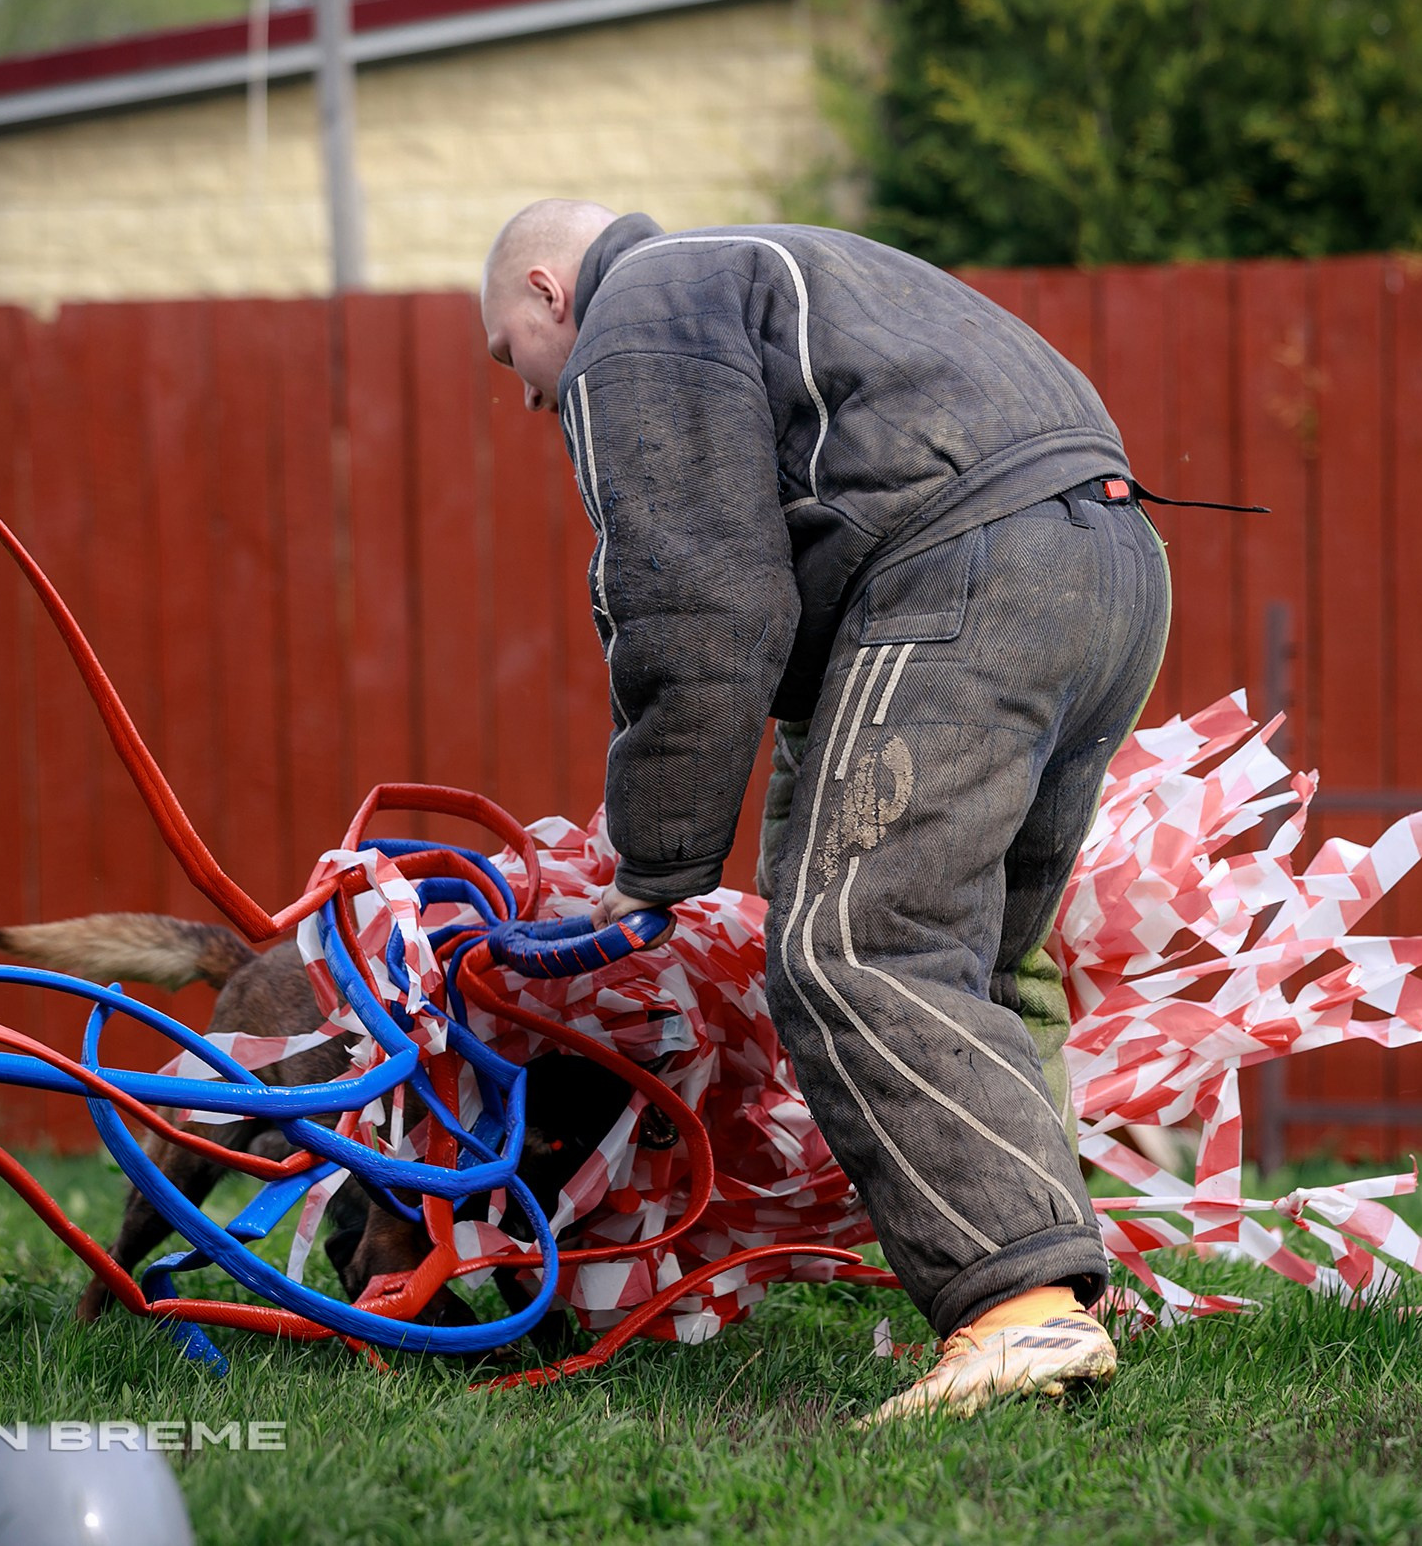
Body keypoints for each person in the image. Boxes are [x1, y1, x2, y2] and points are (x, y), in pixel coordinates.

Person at [478, 199, 1170, 1421]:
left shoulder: (637, 309)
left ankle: (1016, 1320)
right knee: (986, 964)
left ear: (547, 293)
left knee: (854, 946)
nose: (532, 399)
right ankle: (1066, 1303)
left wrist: (654, 866)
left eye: (511, 360)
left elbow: (696, 606)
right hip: (1107, 562)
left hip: (970, 568)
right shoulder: (779, 261)